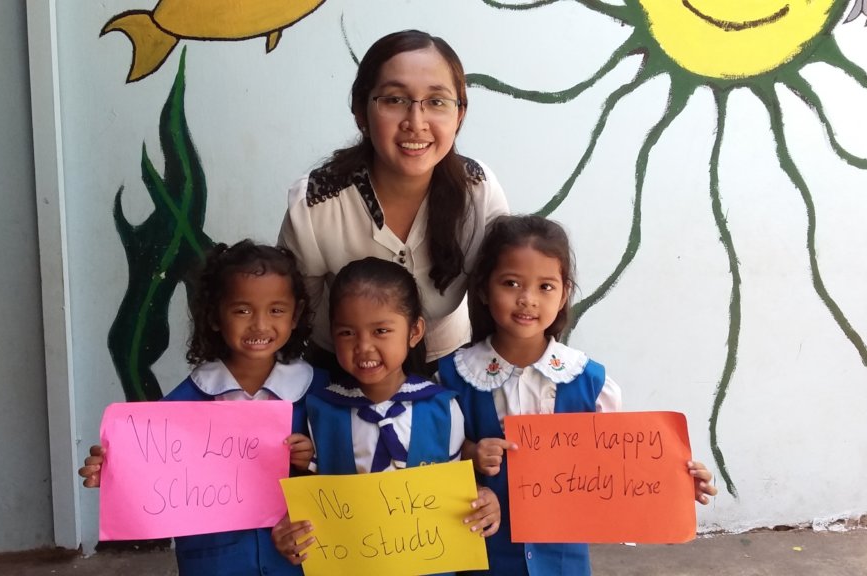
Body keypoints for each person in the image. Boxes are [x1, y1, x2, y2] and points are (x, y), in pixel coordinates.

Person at [437, 215, 718, 575]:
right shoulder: (455, 377)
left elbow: (622, 468)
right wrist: (472, 455)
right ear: (483, 289)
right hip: (485, 555)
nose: (527, 300)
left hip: (564, 562)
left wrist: (675, 485)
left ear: (564, 293)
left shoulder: (589, 382)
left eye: (545, 287)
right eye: (511, 283)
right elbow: (429, 461)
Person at [78, 240, 327, 576]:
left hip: (295, 562)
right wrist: (113, 471)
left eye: (276, 310)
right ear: (213, 316)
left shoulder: (321, 394)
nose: (260, 325)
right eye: (242, 310)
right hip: (215, 563)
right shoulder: (181, 407)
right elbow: (150, 473)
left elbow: (352, 467)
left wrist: (312, 459)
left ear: (295, 315)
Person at [278, 29, 510, 375]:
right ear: (361, 111)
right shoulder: (316, 202)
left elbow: (502, 304)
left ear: (459, 113)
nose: (415, 123)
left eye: (436, 101)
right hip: (343, 374)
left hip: (450, 369)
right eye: (394, 100)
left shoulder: (478, 190)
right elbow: (291, 324)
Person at [271, 257, 501, 567]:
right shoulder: (323, 410)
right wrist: (292, 524)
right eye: (347, 333)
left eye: (381, 330)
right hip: (351, 564)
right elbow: (315, 496)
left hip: (429, 565)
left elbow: (457, 485)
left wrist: (484, 500)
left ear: (414, 331)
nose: (364, 347)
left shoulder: (442, 407)